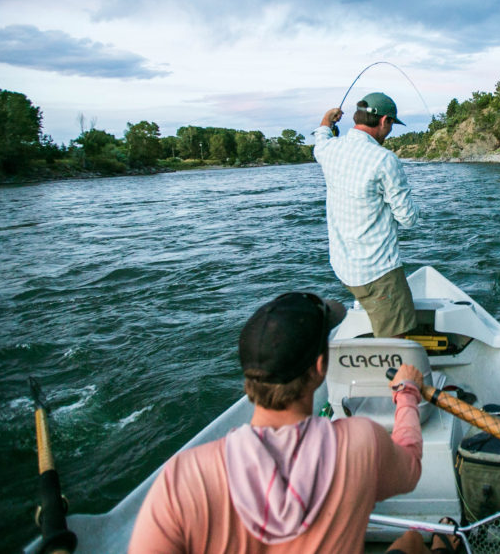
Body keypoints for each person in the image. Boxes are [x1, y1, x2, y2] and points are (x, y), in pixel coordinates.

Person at [128, 291, 458, 553]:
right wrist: (406, 394)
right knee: (414, 542)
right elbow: (410, 465)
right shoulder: (360, 442)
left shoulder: (182, 477)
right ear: (319, 368)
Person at [313, 92, 420, 339]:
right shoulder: (385, 159)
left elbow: (321, 138)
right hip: (378, 273)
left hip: (344, 269)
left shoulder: (329, 150)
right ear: (384, 121)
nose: (390, 130)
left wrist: (326, 120)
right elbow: (408, 218)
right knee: (397, 344)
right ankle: (394, 376)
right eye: (391, 124)